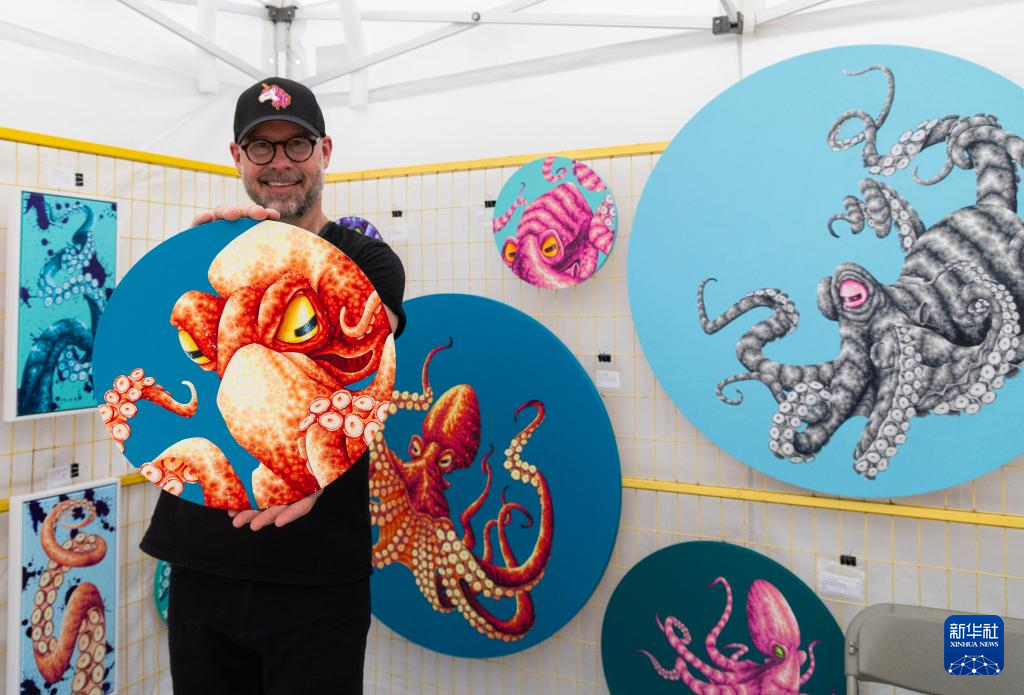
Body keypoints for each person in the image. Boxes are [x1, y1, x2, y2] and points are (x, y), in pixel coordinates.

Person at [140, 77, 405, 694]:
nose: (280, 162)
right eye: (262, 147)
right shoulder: (207, 255)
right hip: (201, 557)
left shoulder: (367, 262)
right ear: (237, 157)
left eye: (297, 145)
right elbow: (154, 361)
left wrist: (307, 469)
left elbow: (372, 354)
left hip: (318, 572)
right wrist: (209, 251)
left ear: (325, 152)